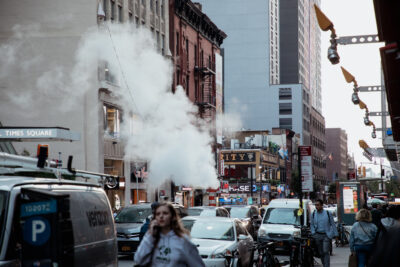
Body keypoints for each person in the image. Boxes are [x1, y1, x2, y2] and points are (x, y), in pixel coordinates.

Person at [134, 202, 205, 267]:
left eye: (165, 213)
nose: (161, 216)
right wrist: (150, 235)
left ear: (173, 217)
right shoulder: (151, 238)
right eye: (158, 214)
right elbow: (138, 260)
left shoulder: (183, 241)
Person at [310, 199, 338, 267]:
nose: (317, 207)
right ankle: (324, 264)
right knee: (321, 253)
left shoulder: (328, 213)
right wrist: (313, 233)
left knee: (325, 251)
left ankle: (326, 265)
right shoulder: (313, 214)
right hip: (317, 235)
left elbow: (332, 224)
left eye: (318, 205)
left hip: (326, 235)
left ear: (322, 205)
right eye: (316, 205)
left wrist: (335, 234)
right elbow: (312, 224)